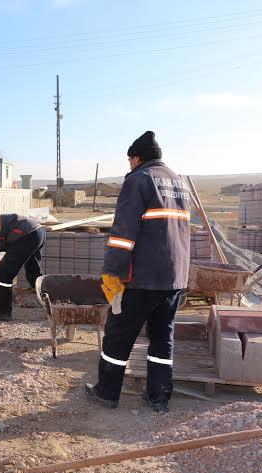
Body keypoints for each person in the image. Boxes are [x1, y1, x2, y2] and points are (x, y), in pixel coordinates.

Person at [85, 131, 190, 413]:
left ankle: (106, 393)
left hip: (142, 277)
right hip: (174, 277)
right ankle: (158, 396)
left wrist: (111, 270)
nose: (129, 165)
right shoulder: (179, 183)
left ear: (137, 157)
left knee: (118, 334)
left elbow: (123, 234)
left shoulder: (139, 180)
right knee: (161, 335)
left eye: (130, 159)